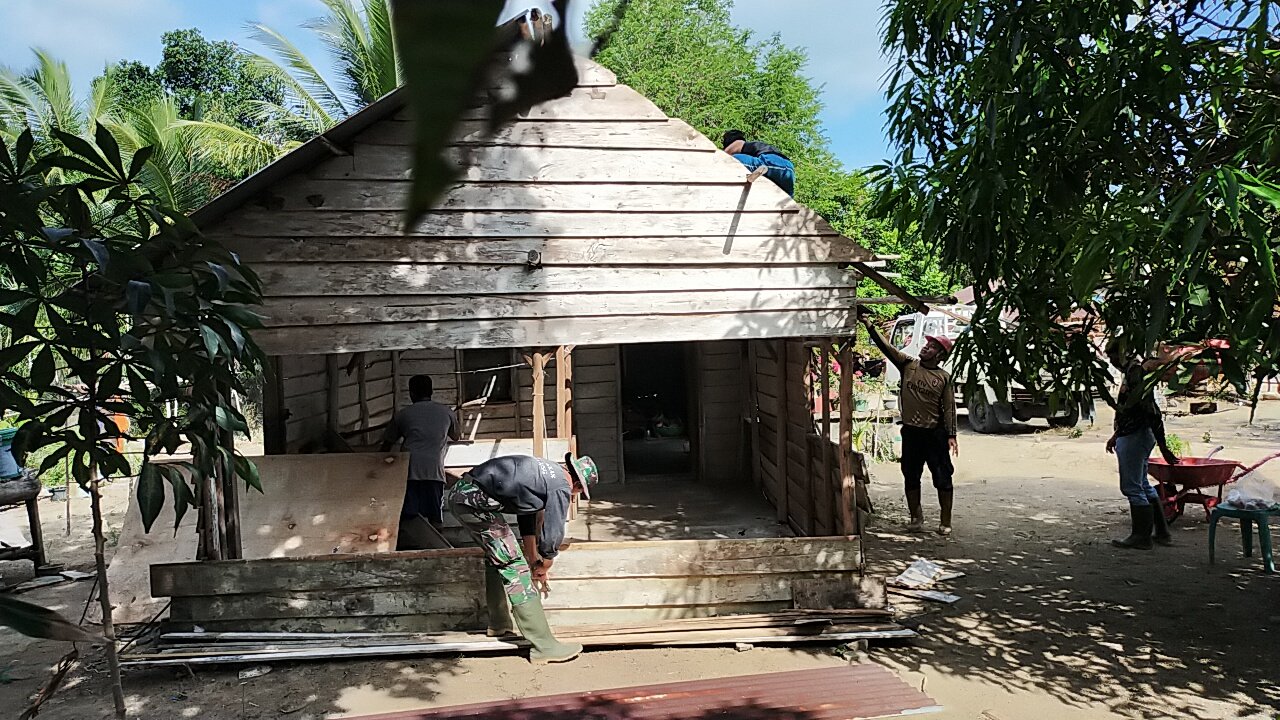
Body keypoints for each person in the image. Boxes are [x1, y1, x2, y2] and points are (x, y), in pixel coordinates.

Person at [445, 453, 599, 664]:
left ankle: (499, 624)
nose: (573, 497)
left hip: (465, 495)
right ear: (578, 486)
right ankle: (544, 646)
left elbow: (526, 514)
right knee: (515, 567)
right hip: (473, 502)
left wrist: (534, 558)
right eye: (578, 493)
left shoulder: (546, 474)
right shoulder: (561, 486)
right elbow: (553, 532)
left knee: (498, 557)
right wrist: (546, 561)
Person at [861, 314, 959, 535]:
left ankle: (945, 521)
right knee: (911, 475)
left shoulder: (944, 378)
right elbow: (886, 348)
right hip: (911, 433)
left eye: (932, 347)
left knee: (943, 478)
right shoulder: (908, 365)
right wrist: (869, 324)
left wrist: (951, 434)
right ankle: (916, 517)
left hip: (934, 435)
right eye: (927, 344)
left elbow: (950, 408)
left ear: (940, 355)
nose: (925, 347)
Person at [1104, 340, 1198, 550]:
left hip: (1136, 435)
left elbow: (1150, 410)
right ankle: (1161, 532)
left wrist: (1163, 447)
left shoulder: (1136, 373)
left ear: (1123, 353)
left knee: (1132, 487)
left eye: (1113, 356)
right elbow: (1132, 409)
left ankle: (1141, 536)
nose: (1112, 361)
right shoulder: (1133, 371)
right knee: (1142, 484)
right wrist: (1117, 434)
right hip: (1134, 433)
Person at [380, 375, 461, 550]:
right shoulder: (446, 412)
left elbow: (387, 444)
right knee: (435, 514)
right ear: (431, 391)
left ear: (411, 393)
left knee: (409, 513)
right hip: (434, 470)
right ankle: (439, 548)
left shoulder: (403, 415)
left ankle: (406, 548)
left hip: (408, 470)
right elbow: (456, 436)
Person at [721, 130, 796, 196]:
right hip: (789, 170)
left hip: (772, 162)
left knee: (733, 159)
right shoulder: (753, 146)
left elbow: (724, 155)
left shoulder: (738, 143)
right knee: (786, 198)